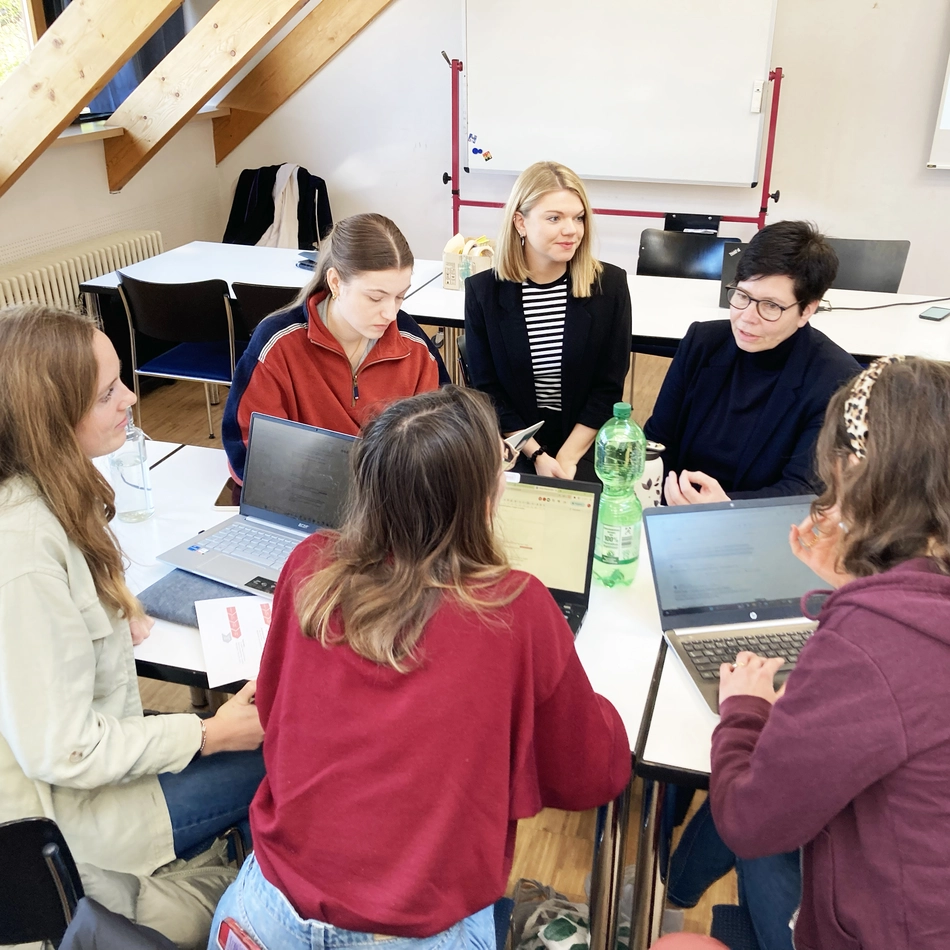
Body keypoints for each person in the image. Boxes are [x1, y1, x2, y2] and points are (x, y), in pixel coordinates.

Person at [210, 386, 631, 949]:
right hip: (410, 930)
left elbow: (276, 703)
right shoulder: (516, 607)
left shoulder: (310, 565)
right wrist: (593, 702)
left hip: (265, 912)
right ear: (484, 499)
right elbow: (591, 775)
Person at [0, 306, 264, 947]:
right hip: (82, 815)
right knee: (285, 755)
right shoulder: (24, 550)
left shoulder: (47, 491)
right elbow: (65, 750)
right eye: (106, 394)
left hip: (92, 772)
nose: (130, 399)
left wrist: (106, 612)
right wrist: (209, 733)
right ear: (48, 417)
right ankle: (252, 904)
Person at [711, 356, 950, 950]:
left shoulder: (870, 640)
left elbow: (750, 820)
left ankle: (671, 893)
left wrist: (743, 708)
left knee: (746, 821)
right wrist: (853, 585)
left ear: (858, 473)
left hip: (886, 928)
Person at [644, 219, 860, 505]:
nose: (746, 317)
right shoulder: (702, 343)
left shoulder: (835, 380)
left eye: (770, 306)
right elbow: (657, 442)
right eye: (742, 295)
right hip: (672, 507)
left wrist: (725, 509)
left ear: (807, 310)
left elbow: (802, 491)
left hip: (760, 524)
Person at [223, 212, 450, 483]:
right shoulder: (277, 344)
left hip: (388, 499)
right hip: (302, 495)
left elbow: (439, 440)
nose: (390, 313)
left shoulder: (415, 347)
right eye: (375, 298)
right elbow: (248, 449)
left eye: (400, 296)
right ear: (335, 283)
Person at [464, 161, 632, 482]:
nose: (571, 230)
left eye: (578, 218)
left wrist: (566, 458)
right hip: (516, 440)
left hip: (583, 438)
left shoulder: (609, 286)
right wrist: (537, 454)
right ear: (520, 222)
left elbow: (608, 387)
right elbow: (488, 391)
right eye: (554, 218)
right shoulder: (483, 292)